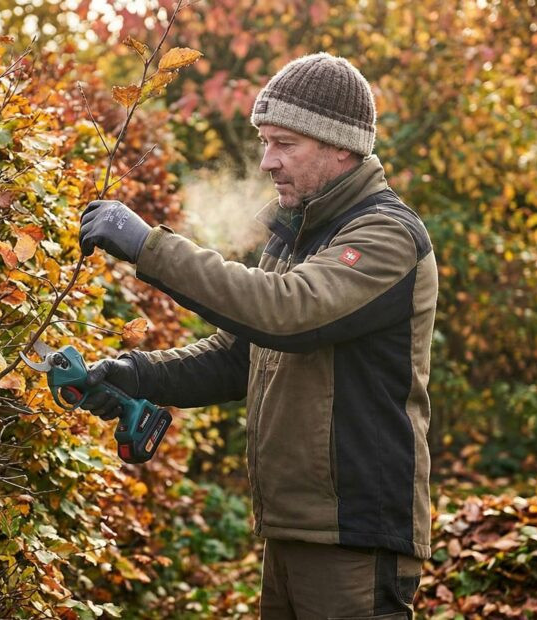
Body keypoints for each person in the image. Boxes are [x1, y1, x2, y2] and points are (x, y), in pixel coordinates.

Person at [78, 52, 438, 619]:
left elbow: (286, 314)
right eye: (264, 142)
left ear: (341, 145)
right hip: (296, 524)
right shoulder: (296, 235)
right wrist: (135, 372)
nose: (267, 161)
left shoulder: (386, 235)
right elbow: (237, 357)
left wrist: (150, 246)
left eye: (284, 144)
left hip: (356, 530)